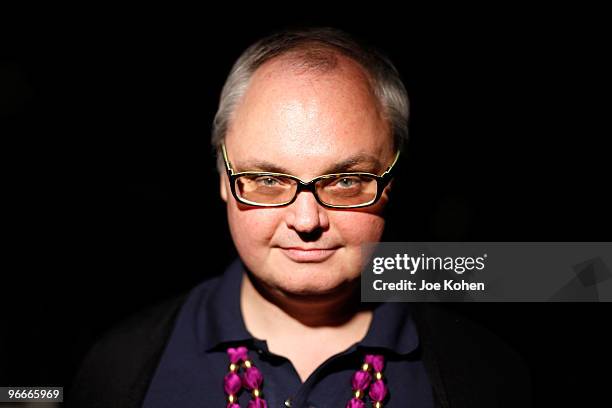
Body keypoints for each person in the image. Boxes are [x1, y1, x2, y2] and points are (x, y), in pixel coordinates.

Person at [67, 28, 530, 408]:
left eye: (345, 181)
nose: (307, 221)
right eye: (268, 180)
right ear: (223, 181)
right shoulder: (119, 370)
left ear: (391, 183)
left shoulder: (490, 376)